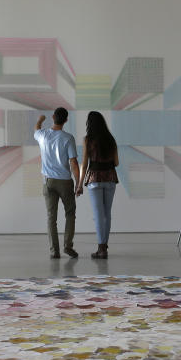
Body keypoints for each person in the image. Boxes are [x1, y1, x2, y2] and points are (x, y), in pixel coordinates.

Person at [34, 107, 80, 259]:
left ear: (53, 117)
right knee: (70, 214)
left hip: (48, 182)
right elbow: (73, 162)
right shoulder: (68, 138)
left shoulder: (43, 135)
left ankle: (55, 251)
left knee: (51, 218)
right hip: (65, 182)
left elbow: (36, 129)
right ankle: (68, 245)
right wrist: (78, 182)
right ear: (66, 120)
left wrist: (40, 120)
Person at [76, 111, 119, 259]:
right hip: (110, 178)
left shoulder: (88, 140)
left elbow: (84, 164)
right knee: (107, 214)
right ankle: (104, 246)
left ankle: (101, 248)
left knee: (98, 215)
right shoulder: (111, 139)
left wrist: (80, 184)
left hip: (94, 179)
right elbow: (117, 163)